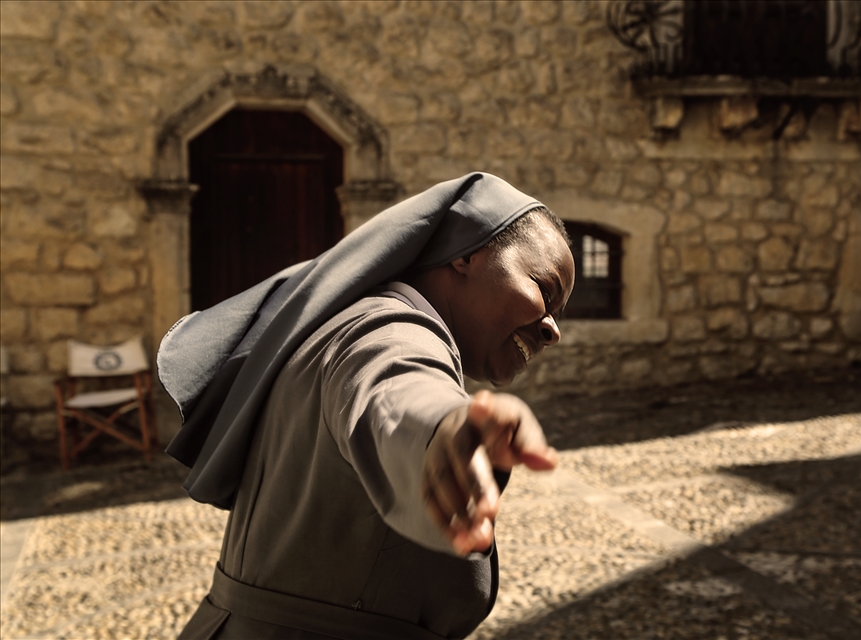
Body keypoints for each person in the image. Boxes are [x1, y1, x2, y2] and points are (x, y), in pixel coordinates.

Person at [160, 173, 575, 639]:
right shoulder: (387, 331)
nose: (551, 329)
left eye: (558, 315)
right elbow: (394, 388)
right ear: (466, 255)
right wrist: (442, 429)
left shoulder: (345, 322)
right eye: (544, 289)